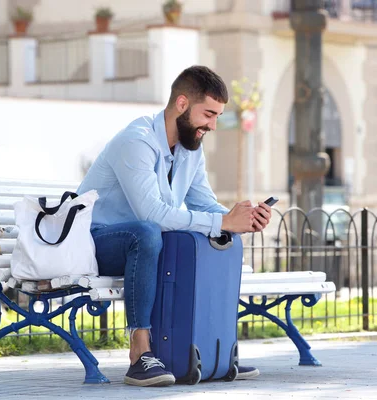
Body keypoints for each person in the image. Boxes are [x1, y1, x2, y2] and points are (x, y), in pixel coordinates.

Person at [77, 65, 272, 387]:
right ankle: (140, 355)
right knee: (148, 231)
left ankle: (212, 352)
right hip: (95, 242)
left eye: (217, 117)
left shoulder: (190, 148)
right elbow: (152, 214)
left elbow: (204, 204)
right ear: (182, 104)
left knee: (208, 238)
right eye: (208, 114)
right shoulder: (136, 141)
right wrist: (222, 221)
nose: (211, 125)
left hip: (144, 247)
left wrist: (240, 219)